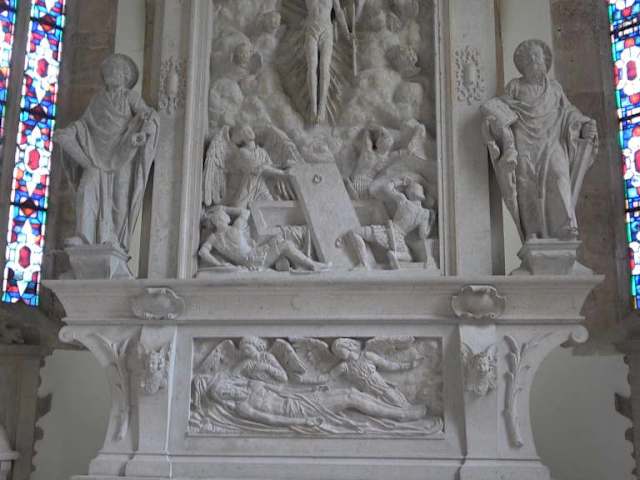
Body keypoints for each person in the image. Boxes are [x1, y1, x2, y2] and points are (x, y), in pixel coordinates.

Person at [481, 39, 598, 241]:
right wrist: (495, 121)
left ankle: (564, 226)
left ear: (545, 61)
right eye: (530, 57)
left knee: (559, 175)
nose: (535, 60)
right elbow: (501, 108)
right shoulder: (515, 86)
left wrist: (584, 124)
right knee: (526, 185)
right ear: (523, 64)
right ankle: (532, 232)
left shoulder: (554, 88)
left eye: (538, 56)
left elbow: (569, 112)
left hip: (552, 140)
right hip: (524, 143)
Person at [54, 54, 159, 253]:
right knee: (87, 187)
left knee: (119, 199)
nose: (110, 72)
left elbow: (147, 114)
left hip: (122, 154)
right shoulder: (98, 100)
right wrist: (70, 132)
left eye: (115, 69)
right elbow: (84, 123)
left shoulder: (130, 97)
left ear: (125, 76)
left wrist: (144, 129)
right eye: (108, 69)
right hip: (95, 154)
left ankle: (116, 242)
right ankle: (84, 236)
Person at [198, 206, 329, 272]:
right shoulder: (236, 227)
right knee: (286, 245)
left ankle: (293, 263)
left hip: (253, 257)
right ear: (221, 219)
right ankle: (313, 265)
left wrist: (219, 265)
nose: (226, 217)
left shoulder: (214, 238)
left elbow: (203, 252)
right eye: (224, 216)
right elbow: (245, 212)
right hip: (255, 259)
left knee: (278, 239)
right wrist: (225, 208)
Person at [348, 178, 434, 269]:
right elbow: (423, 235)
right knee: (409, 257)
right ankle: (395, 255)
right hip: (399, 239)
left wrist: (401, 181)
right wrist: (431, 222)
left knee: (355, 232)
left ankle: (364, 263)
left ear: (410, 193)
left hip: (386, 231)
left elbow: (387, 188)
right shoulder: (425, 214)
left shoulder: (404, 201)